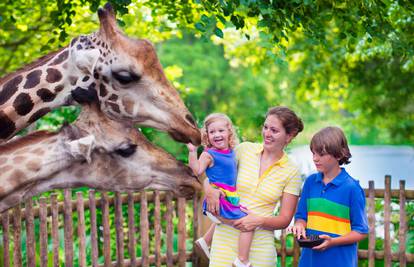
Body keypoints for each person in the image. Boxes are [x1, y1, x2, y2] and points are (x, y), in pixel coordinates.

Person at [204, 106, 304, 267]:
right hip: (224, 242)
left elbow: (285, 219)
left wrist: (258, 221)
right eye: (265, 127)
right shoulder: (244, 150)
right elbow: (214, 174)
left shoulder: (292, 171)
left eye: (274, 130)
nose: (267, 134)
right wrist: (208, 190)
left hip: (260, 247)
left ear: (289, 136)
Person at [287, 126, 368, 267]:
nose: (315, 159)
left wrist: (333, 242)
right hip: (309, 262)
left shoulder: (352, 188)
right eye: (313, 153)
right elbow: (301, 216)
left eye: (321, 154)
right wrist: (299, 225)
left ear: (338, 155)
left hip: (340, 262)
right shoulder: (311, 183)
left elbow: (361, 231)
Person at [187, 113, 254, 267]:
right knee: (248, 225)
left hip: (229, 198)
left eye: (221, 131)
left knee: (227, 220)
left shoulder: (231, 151)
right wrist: (192, 151)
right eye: (212, 132)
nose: (217, 135)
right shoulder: (209, 154)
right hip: (219, 200)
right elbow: (196, 170)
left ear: (229, 133)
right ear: (207, 135)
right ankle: (242, 260)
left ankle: (205, 241)